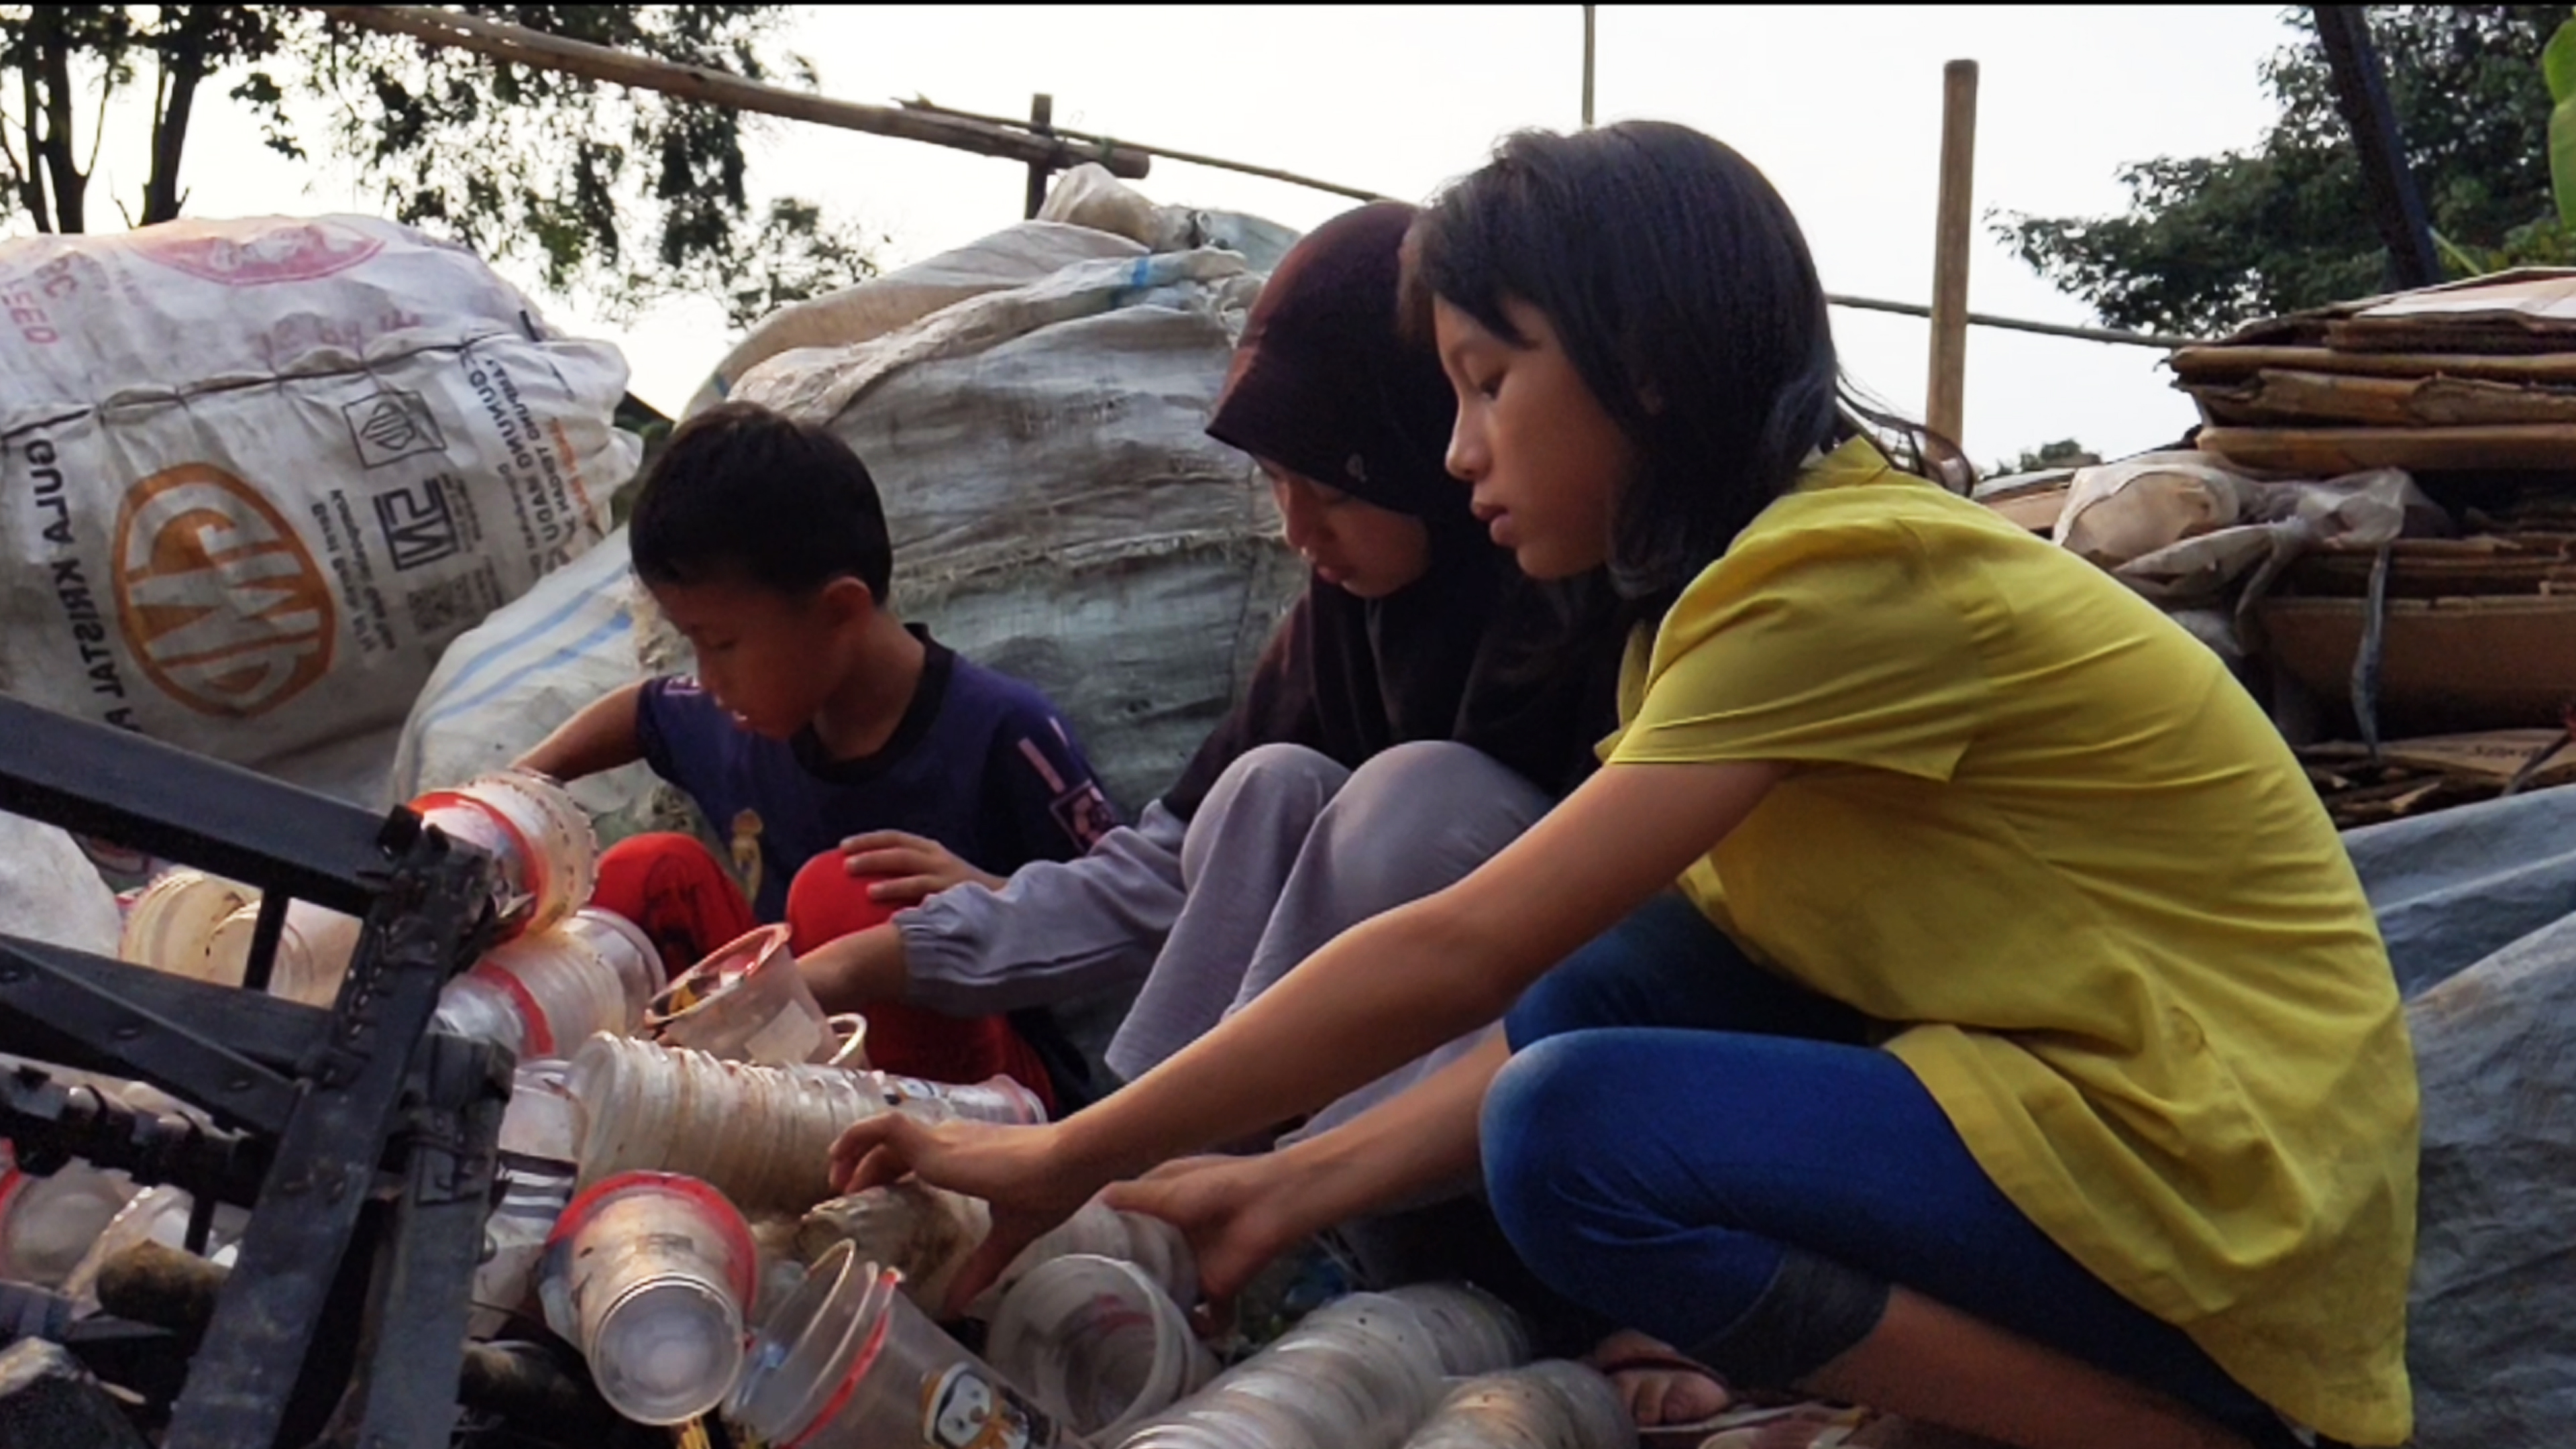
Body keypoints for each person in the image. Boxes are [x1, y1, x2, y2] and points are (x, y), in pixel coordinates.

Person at [826, 123, 2418, 1449]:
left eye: (1485, 381)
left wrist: (1071, 1152)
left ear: (1644, 370)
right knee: (1625, 975)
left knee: (1570, 1134)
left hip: (2219, 1184)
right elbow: (1572, 990)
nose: (1458, 449)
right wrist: (1279, 1186)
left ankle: (2153, 1433)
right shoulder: (1728, 607)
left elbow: (1463, 949)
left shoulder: (1841, 580)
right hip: (2116, 1136)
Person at [796, 202, 1622, 1135]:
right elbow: (1161, 872)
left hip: (1530, 1073)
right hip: (1358, 1064)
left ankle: (1256, 1169)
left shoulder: (1579, 602)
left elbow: (1618, 933)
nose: (1297, 533)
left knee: (1419, 797)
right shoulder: (1343, 626)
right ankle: (1165, 1144)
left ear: (1423, 453)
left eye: (1333, 492)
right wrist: (866, 962)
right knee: (1266, 783)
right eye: (1277, 483)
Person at [516, 402, 1118, 1110]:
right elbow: (644, 712)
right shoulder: (740, 720)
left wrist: (992, 894)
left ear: (839, 612)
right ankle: (571, 1109)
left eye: (722, 644)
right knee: (647, 869)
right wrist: (517, 788)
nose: (707, 678)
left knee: (849, 889)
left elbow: (1130, 903)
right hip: (794, 1064)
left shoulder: (1005, 731)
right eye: (693, 644)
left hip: (976, 1099)